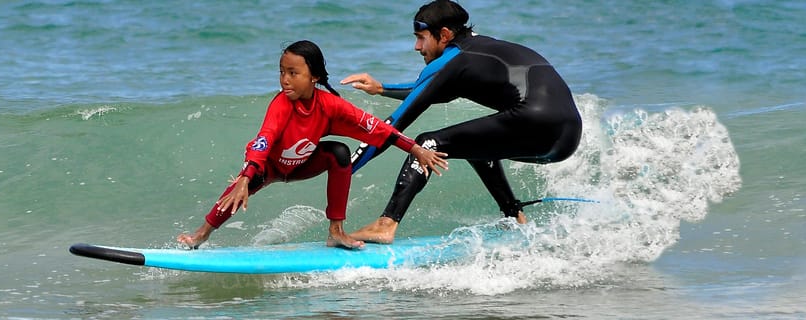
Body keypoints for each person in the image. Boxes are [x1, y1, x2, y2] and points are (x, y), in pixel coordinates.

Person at [340, 0, 582, 244]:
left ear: (444, 35)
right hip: (567, 136)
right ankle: (515, 216)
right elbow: (432, 89)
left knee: (427, 144)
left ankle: (385, 225)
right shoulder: (479, 49)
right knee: (477, 146)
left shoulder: (453, 61)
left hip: (535, 122)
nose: (417, 47)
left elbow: (391, 128)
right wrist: (382, 89)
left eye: (421, 37)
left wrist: (344, 169)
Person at [177, 40, 448, 249]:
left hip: (303, 164)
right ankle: (201, 234)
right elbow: (264, 138)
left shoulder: (329, 106)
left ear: (314, 76)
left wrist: (415, 149)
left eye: (293, 73)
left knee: (339, 153)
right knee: (241, 187)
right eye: (282, 72)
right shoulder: (281, 105)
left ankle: (336, 232)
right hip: (269, 167)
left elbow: (375, 127)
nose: (285, 79)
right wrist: (246, 176)